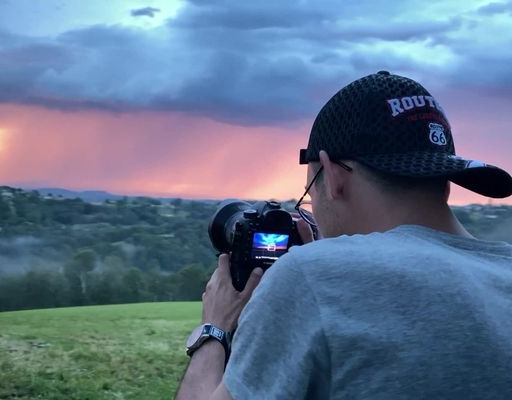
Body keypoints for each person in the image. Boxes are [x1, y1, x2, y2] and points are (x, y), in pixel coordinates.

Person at [176, 71, 512, 400]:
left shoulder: (310, 277)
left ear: (332, 173)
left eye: (310, 189)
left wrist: (214, 329)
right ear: (442, 176)